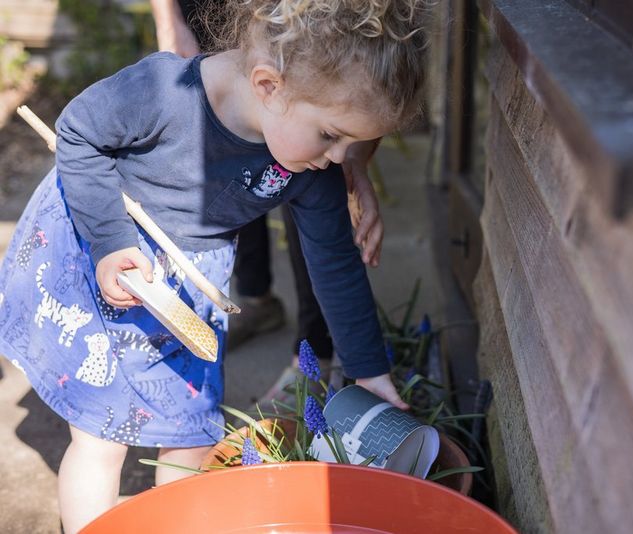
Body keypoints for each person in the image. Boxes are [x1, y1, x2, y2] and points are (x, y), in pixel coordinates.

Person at [0, 0, 425, 531]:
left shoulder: (311, 166)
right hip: (107, 253)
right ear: (269, 86)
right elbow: (79, 133)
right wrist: (110, 240)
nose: (340, 158)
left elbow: (336, 263)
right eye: (331, 136)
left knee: (189, 432)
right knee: (101, 436)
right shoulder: (163, 92)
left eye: (353, 145)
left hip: (186, 286)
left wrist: (370, 372)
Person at [150, 0, 384, 363]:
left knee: (306, 175)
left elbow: (373, 78)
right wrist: (170, 18)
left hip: (310, 27)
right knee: (234, 145)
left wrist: (353, 159)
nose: (334, 155)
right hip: (214, 12)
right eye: (332, 138)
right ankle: (255, 297)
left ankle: (313, 350)